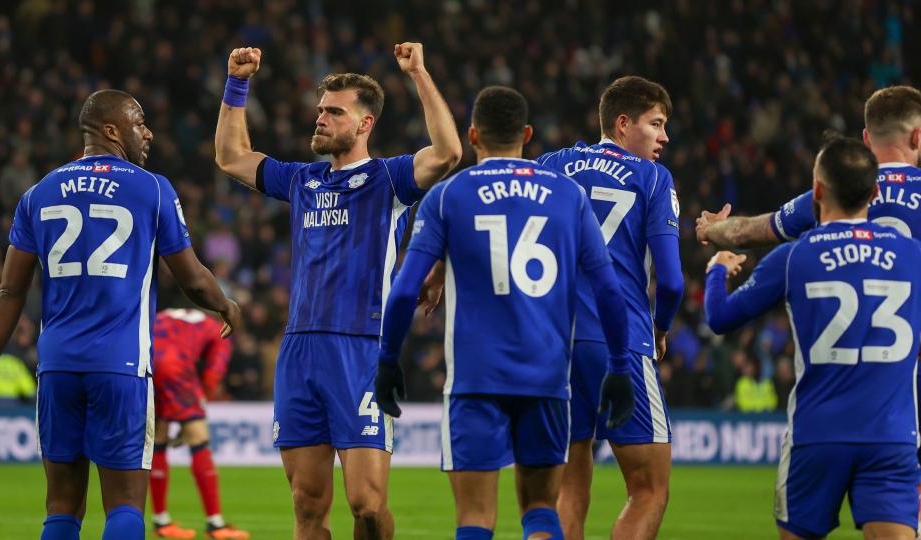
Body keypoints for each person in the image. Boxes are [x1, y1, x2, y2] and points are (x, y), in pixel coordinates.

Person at [0, 89, 241, 540]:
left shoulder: (38, 193)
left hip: (56, 367)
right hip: (121, 366)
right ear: (111, 130)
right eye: (139, 122)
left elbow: (10, 291)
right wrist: (225, 305)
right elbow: (192, 279)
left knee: (61, 507)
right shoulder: (152, 188)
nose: (148, 133)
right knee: (125, 505)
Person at [213, 44, 461, 539]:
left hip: (361, 348)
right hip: (301, 349)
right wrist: (237, 83)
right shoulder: (302, 180)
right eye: (321, 110)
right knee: (306, 504)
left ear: (365, 124)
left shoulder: (389, 179)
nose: (321, 118)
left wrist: (419, 73)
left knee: (366, 503)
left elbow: (448, 152)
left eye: (334, 112)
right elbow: (231, 157)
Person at [374, 86, 635, 540]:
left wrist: (387, 360)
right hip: (548, 379)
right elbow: (610, 291)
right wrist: (620, 366)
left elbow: (402, 293)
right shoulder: (569, 195)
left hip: (476, 381)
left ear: (473, 135)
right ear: (527, 134)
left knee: (475, 519)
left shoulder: (448, 196)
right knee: (541, 512)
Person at [704, 135, 921, 539]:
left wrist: (717, 269)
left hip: (816, 435)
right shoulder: (913, 256)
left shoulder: (793, 257)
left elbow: (719, 318)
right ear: (874, 193)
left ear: (818, 191)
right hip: (891, 437)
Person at [537, 76, 684, 539]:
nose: (664, 137)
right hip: (619, 339)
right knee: (649, 489)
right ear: (623, 124)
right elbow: (672, 282)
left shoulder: (551, 164)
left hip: (554, 344)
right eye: (655, 124)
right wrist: (661, 327)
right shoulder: (653, 178)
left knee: (567, 487)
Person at [696, 86, 921, 247]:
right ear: (917, 137)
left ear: (866, 138)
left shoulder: (834, 191)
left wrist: (712, 228)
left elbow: (748, 232)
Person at [149, 308, 248, 539]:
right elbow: (214, 372)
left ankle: (161, 520)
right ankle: (215, 524)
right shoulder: (218, 329)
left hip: (148, 363)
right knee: (198, 437)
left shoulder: (166, 315)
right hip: (177, 367)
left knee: (158, 439)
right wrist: (199, 405)